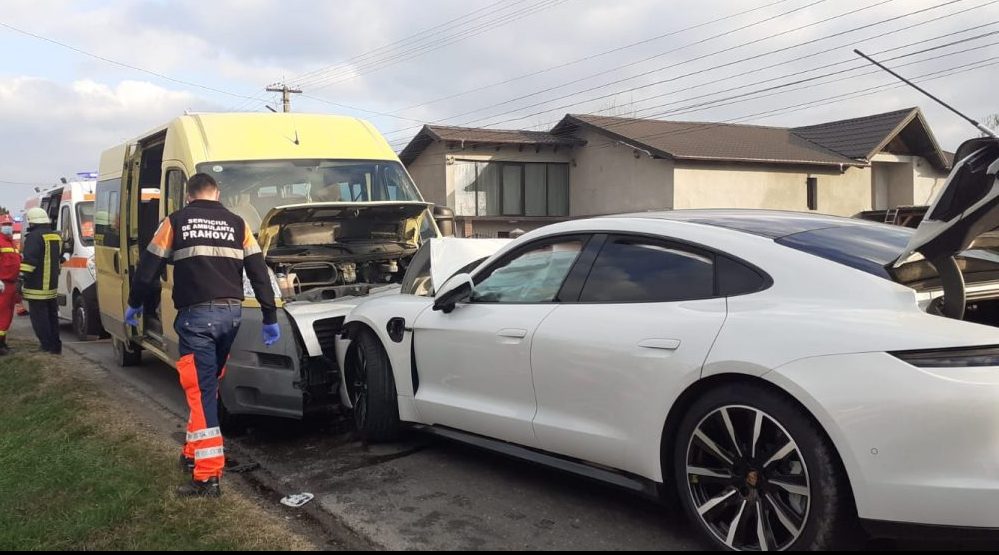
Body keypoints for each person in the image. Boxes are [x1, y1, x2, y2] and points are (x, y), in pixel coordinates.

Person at [124, 173, 280, 498]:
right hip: (231, 316)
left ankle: (208, 478)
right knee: (206, 385)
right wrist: (269, 315)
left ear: (188, 196)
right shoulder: (238, 224)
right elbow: (258, 272)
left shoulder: (176, 221)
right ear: (217, 192)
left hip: (198, 319)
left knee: (201, 391)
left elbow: (148, 269)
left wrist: (136, 304)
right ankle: (192, 453)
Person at [19, 207, 62, 355]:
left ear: (32, 222)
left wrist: (20, 279)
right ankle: (56, 346)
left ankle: (46, 346)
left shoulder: (33, 237)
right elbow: (59, 259)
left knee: (39, 320)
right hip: (51, 287)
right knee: (52, 318)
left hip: (36, 288)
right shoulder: (55, 236)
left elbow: (29, 262)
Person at [0, 215, 21, 355]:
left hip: (12, 284)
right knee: (1, 314)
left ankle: (3, 343)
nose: (8, 226)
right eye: (5, 224)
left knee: (8, 315)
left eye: (10, 224)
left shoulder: (12, 243)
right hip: (3, 284)